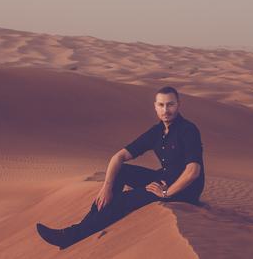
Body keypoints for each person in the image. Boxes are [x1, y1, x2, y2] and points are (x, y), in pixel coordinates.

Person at [36, 86, 205, 250]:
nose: (166, 110)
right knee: (120, 172)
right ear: (155, 107)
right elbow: (118, 157)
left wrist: (167, 193)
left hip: (184, 189)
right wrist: (107, 188)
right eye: (161, 105)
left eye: (170, 104)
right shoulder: (157, 131)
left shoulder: (188, 130)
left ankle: (71, 235)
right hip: (165, 179)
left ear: (178, 104)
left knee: (124, 200)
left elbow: (193, 171)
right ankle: (81, 228)